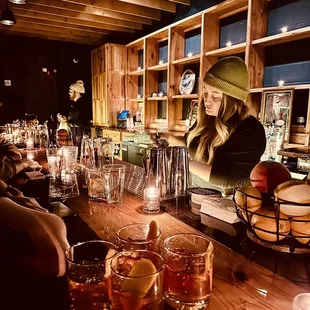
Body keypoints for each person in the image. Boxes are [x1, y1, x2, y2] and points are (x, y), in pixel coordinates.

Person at [164, 57, 266, 195]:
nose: (207, 100)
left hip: (224, 205)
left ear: (232, 100)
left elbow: (233, 178)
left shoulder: (251, 130)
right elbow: (190, 144)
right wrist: (168, 138)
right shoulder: (208, 119)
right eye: (206, 93)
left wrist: (184, 162)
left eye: (215, 96)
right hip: (194, 195)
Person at [67, 80, 91, 148]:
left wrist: (67, 121)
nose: (69, 93)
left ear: (77, 92)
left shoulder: (83, 105)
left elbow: (82, 122)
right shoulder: (75, 105)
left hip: (81, 138)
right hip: (75, 137)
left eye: (71, 91)